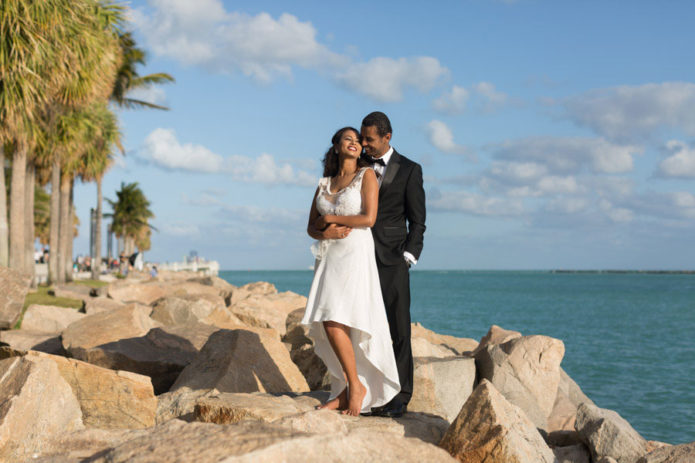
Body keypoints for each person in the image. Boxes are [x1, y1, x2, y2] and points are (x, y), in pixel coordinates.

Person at [302, 126, 400, 416]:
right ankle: (346, 389)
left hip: (355, 253)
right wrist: (325, 231)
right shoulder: (324, 183)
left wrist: (329, 217)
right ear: (335, 146)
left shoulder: (366, 176)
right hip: (329, 255)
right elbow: (310, 227)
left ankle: (355, 386)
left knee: (338, 319)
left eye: (358, 140)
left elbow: (369, 218)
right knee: (331, 320)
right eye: (348, 139)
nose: (355, 143)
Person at [360, 111, 426, 418]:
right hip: (359, 257)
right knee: (364, 326)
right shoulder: (359, 165)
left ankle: (401, 395)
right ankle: (370, 390)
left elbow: (418, 220)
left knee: (398, 328)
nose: (364, 144)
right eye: (362, 138)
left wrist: (409, 255)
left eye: (369, 139)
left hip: (393, 259)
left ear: (387, 137)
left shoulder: (411, 170)